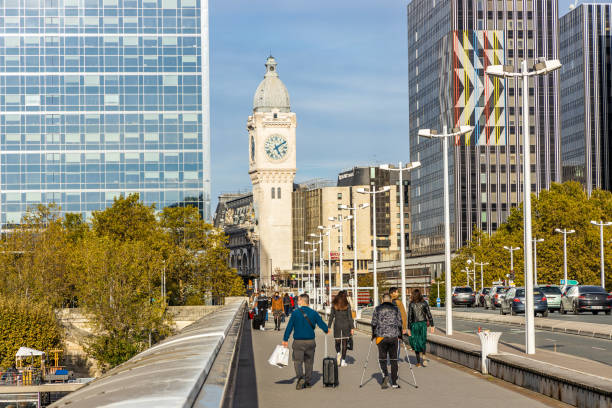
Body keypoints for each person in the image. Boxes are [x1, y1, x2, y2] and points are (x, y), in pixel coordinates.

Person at [282, 293, 329, 390]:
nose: (297, 302)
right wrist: (326, 330)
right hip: (310, 342)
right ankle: (307, 381)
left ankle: (300, 378)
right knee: (309, 362)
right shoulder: (314, 313)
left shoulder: (295, 313)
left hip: (298, 342)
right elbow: (322, 324)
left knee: (297, 362)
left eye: (298, 300)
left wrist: (285, 339)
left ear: (303, 301)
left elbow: (289, 327)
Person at [371, 293, 403, 389]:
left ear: (382, 299)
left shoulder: (377, 309)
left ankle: (385, 375)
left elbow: (373, 323)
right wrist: (400, 336)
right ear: (390, 300)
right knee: (394, 359)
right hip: (393, 337)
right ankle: (394, 382)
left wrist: (373, 334)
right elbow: (400, 323)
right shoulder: (396, 309)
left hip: (381, 337)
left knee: (382, 358)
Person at [407, 288, 435, 367]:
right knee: (422, 340)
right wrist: (432, 325)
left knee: (415, 342)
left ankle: (418, 362)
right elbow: (429, 314)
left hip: (414, 325)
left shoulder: (411, 304)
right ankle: (424, 355)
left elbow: (410, 317)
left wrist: (408, 328)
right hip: (423, 324)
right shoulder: (424, 303)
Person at [327, 290, 354, 367]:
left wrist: (328, 326)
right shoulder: (347, 305)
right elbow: (350, 317)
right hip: (346, 326)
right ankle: (343, 361)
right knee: (345, 343)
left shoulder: (334, 305)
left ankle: (338, 353)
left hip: (337, 325)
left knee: (337, 341)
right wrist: (352, 328)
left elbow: (331, 316)